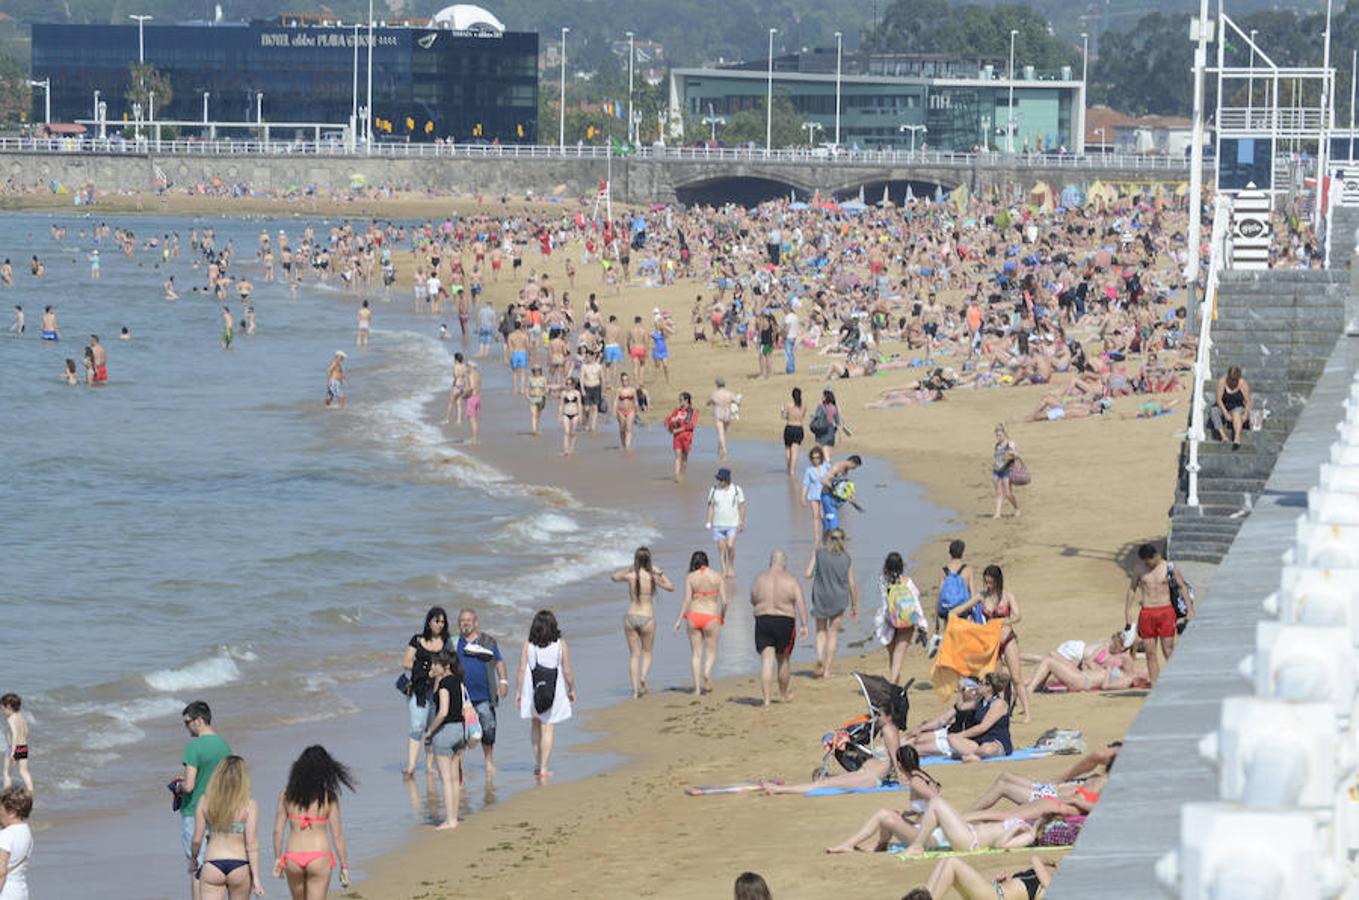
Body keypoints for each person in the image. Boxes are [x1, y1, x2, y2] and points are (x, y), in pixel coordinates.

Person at [272, 746, 354, 899]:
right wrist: (344, 866)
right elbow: (338, 836)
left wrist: (277, 859)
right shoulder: (328, 797)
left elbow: (278, 830)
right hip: (319, 856)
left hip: (292, 856)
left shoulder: (286, 795)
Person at [952, 565, 1030, 722]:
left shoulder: (1007, 596)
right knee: (997, 681)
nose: (988, 585)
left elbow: (1018, 615)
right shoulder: (982, 596)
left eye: (991, 582)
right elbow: (964, 607)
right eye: (986, 582)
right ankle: (1002, 712)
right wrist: (952, 614)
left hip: (1007, 639)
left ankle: (1027, 713)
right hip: (991, 643)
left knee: (1016, 678)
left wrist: (1003, 621)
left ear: (997, 581)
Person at [189, 756, 265, 900]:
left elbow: (197, 839)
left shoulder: (205, 801)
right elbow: (252, 844)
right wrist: (256, 878)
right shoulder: (249, 805)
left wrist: (193, 859)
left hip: (212, 864)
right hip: (239, 865)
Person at [179, 701, 232, 900]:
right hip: (219, 811)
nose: (187, 727)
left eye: (188, 722)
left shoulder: (193, 747)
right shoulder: (224, 746)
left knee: (197, 866)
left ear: (200, 720)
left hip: (194, 811)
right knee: (216, 863)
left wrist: (178, 786)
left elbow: (190, 785)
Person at [516, 610, 576, 783]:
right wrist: (572, 689)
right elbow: (567, 670)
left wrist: (519, 692)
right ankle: (543, 768)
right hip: (553, 689)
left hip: (532, 688)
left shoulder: (528, 644)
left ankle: (538, 763)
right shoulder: (560, 644)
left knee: (535, 725)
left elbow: (521, 669)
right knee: (547, 727)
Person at [612, 547, 675, 698]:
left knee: (634, 655)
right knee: (647, 652)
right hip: (647, 617)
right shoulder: (652, 577)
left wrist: (630, 568)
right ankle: (643, 676)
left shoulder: (631, 575)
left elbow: (614, 577)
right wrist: (659, 572)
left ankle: (634, 692)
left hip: (631, 616)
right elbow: (671, 587)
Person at [421, 652, 475, 829]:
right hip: (460, 730)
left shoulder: (444, 683)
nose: (432, 667)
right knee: (454, 778)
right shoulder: (458, 682)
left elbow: (443, 712)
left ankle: (450, 820)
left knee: (446, 779)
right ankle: (454, 818)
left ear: (445, 666)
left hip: (445, 732)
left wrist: (430, 731)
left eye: (435, 664)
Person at [750, 550, 809, 706]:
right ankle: (783, 694)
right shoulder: (791, 580)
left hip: (763, 619)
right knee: (783, 660)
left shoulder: (759, 579)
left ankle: (767, 700)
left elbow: (753, 599)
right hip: (785, 620)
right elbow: (801, 603)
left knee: (767, 661)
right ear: (784, 563)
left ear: (771, 562)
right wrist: (804, 624)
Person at [897, 794, 1045, 857]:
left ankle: (917, 846)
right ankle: (919, 841)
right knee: (937, 806)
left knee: (936, 802)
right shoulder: (1029, 826)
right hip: (970, 832)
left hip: (970, 841)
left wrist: (1017, 827)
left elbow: (1001, 845)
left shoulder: (1029, 835)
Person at [455, 608, 508, 777]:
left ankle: (489, 763)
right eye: (462, 620)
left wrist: (503, 681)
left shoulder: (487, 641)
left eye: (469, 620)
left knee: (488, 729)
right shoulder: (454, 642)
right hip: (461, 696)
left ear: (476, 622)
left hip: (484, 695)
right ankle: (459, 766)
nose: (465, 623)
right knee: (461, 732)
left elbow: (499, 662)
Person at [400, 607, 452, 778]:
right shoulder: (417, 640)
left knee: (433, 727)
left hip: (438, 691)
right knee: (417, 726)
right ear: (429, 622)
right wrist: (425, 669)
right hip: (418, 690)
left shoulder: (446, 642)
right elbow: (406, 662)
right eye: (437, 621)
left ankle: (429, 766)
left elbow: (451, 665)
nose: (440, 625)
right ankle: (411, 766)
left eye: (443, 621)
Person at [1125, 543, 1183, 686]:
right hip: (1147, 612)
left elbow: (1181, 587)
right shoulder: (1139, 569)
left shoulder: (1168, 567)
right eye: (1146, 561)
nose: (1148, 563)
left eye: (1150, 560)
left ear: (1156, 556)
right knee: (1150, 654)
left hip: (1165, 610)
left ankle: (1176, 682)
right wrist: (1127, 610)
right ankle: (1156, 686)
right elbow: (1132, 588)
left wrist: (1186, 610)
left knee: (1168, 650)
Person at [805, 528, 857, 678]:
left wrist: (819, 572)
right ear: (843, 540)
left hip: (821, 597)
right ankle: (827, 670)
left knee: (821, 632)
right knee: (833, 634)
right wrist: (854, 605)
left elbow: (807, 574)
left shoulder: (819, 553)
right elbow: (852, 585)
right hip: (839, 599)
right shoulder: (846, 559)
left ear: (828, 539)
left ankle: (819, 658)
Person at [674, 550, 727, 696]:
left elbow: (686, 601)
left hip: (693, 616)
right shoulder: (717, 576)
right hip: (711, 617)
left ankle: (697, 689)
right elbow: (725, 601)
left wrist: (679, 620)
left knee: (696, 654)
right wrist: (722, 615)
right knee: (711, 652)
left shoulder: (690, 577)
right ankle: (707, 672)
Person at [877, 553, 928, 684]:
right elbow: (916, 604)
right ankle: (894, 684)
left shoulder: (883, 581)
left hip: (889, 623)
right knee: (898, 655)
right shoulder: (908, 582)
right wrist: (922, 625)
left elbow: (884, 605)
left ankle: (894, 685)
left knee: (893, 656)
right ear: (901, 567)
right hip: (907, 622)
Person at [917, 855, 1058, 900]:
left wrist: (1054, 862)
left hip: (995, 897)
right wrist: (1003, 881)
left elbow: (1035, 859)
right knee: (946, 862)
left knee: (952, 863)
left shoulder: (1052, 885)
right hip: (994, 893)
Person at [946, 671, 1013, 761]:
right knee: (951, 738)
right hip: (980, 741)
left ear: (989, 687)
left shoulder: (998, 703)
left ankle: (970, 755)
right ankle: (974, 755)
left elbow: (983, 727)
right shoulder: (980, 701)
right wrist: (961, 692)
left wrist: (961, 735)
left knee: (987, 749)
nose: (978, 685)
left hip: (995, 740)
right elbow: (961, 707)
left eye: (981, 683)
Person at [930, 540, 975, 656]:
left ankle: (951, 658)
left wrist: (936, 618)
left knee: (950, 636)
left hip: (948, 609)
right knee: (964, 637)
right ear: (962, 552)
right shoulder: (967, 570)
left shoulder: (944, 570)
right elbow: (973, 593)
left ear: (950, 552)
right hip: (963, 609)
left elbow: (939, 594)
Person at [705, 468, 746, 579]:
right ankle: (723, 570)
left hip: (732, 524)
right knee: (721, 549)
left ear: (727, 479)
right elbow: (711, 507)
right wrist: (708, 521)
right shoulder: (714, 490)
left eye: (721, 479)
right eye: (718, 479)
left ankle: (731, 566)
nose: (719, 481)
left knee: (730, 545)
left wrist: (741, 522)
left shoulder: (737, 490)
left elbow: (742, 507)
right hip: (718, 524)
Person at [0, 786, 33, 900]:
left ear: (12, 813)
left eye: (1, 809)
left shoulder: (5, 835)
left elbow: (1, 872)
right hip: (21, 891)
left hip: (5, 893)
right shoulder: (26, 831)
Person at [818, 454, 863, 533]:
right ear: (852, 463)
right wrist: (835, 488)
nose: (853, 469)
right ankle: (834, 541)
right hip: (827, 496)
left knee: (830, 520)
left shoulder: (846, 470)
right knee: (833, 520)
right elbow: (823, 480)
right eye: (854, 467)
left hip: (835, 499)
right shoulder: (837, 467)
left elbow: (844, 487)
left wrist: (853, 501)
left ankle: (828, 540)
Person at [1212, 365, 1252, 449]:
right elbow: (1219, 399)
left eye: (1235, 380)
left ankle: (1237, 437)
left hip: (1237, 405)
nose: (1233, 382)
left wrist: (1246, 414)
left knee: (1236, 413)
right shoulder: (1222, 382)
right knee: (1214, 411)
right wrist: (1225, 413)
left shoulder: (1243, 384)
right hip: (1224, 405)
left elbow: (1248, 401)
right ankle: (1223, 436)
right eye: (1231, 379)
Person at [801, 446, 831, 542]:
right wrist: (802, 497)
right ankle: (817, 537)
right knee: (815, 516)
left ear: (821, 457)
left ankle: (827, 532)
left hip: (824, 494)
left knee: (823, 515)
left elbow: (833, 475)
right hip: (813, 495)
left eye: (817, 457)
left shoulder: (826, 466)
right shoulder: (809, 470)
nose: (815, 460)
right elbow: (806, 484)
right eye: (813, 458)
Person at [665, 392, 697, 482]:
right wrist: (668, 425)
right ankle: (677, 476)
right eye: (679, 400)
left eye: (681, 400)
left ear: (686, 400)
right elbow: (669, 419)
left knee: (684, 458)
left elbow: (691, 425)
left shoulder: (692, 412)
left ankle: (682, 474)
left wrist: (678, 430)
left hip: (687, 437)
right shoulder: (677, 410)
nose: (679, 402)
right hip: (677, 437)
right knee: (678, 457)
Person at [809, 389, 851, 457]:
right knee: (828, 454)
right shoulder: (834, 406)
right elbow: (838, 421)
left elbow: (818, 416)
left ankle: (824, 466)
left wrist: (812, 417)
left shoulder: (821, 405)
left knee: (821, 454)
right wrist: (840, 435)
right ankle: (828, 466)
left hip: (822, 431)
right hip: (831, 431)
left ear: (825, 396)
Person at [0, 697, 30, 793]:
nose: (2, 711)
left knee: (6, 773)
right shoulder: (20, 716)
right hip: (23, 747)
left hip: (14, 748)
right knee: (24, 772)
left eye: (3, 709)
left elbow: (14, 734)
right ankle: (30, 792)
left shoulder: (10, 719)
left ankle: (6, 794)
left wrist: (13, 751)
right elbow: (26, 730)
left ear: (8, 707)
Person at [992, 424, 1021, 519]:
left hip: (1007, 470)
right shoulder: (997, 445)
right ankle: (997, 513)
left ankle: (1016, 508)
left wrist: (1012, 453)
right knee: (999, 493)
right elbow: (996, 458)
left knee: (1008, 493)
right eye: (997, 435)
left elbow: (1017, 455)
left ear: (1004, 434)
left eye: (1000, 435)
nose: (998, 437)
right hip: (997, 470)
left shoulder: (1010, 443)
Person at [708, 378, 739, 461]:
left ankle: (724, 450)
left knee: (721, 433)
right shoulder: (729, 393)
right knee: (724, 432)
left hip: (718, 413)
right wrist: (731, 402)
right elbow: (737, 401)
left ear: (717, 385)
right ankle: (721, 448)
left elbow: (709, 402)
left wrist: (712, 403)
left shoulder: (715, 394)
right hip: (727, 413)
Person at [781, 387, 805, 475]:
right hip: (799, 428)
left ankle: (789, 467)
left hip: (789, 427)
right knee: (795, 450)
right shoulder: (803, 405)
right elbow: (802, 416)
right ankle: (792, 470)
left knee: (788, 449)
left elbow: (784, 416)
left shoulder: (788, 405)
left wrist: (782, 411)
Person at [614, 371, 639, 450]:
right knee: (622, 429)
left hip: (630, 411)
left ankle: (628, 446)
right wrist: (614, 410)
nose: (625, 382)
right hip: (621, 411)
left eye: (627, 380)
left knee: (628, 428)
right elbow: (616, 401)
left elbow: (636, 400)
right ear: (621, 381)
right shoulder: (619, 390)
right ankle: (623, 444)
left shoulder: (632, 390)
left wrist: (636, 408)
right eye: (624, 380)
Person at [559, 377, 583, 456]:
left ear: (573, 385)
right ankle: (566, 450)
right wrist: (560, 416)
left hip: (575, 414)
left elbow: (579, 404)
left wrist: (580, 415)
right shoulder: (563, 393)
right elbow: (561, 405)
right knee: (566, 432)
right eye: (567, 384)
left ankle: (572, 448)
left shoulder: (577, 393)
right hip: (566, 414)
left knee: (573, 432)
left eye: (570, 384)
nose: (568, 386)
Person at [527, 365, 549, 435]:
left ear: (540, 371)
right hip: (533, 398)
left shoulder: (543, 379)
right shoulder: (530, 378)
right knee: (533, 414)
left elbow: (546, 388)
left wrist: (545, 393)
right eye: (535, 370)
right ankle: (534, 430)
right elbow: (527, 387)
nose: (537, 372)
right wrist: (527, 395)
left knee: (538, 415)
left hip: (541, 398)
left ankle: (537, 428)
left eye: (538, 370)